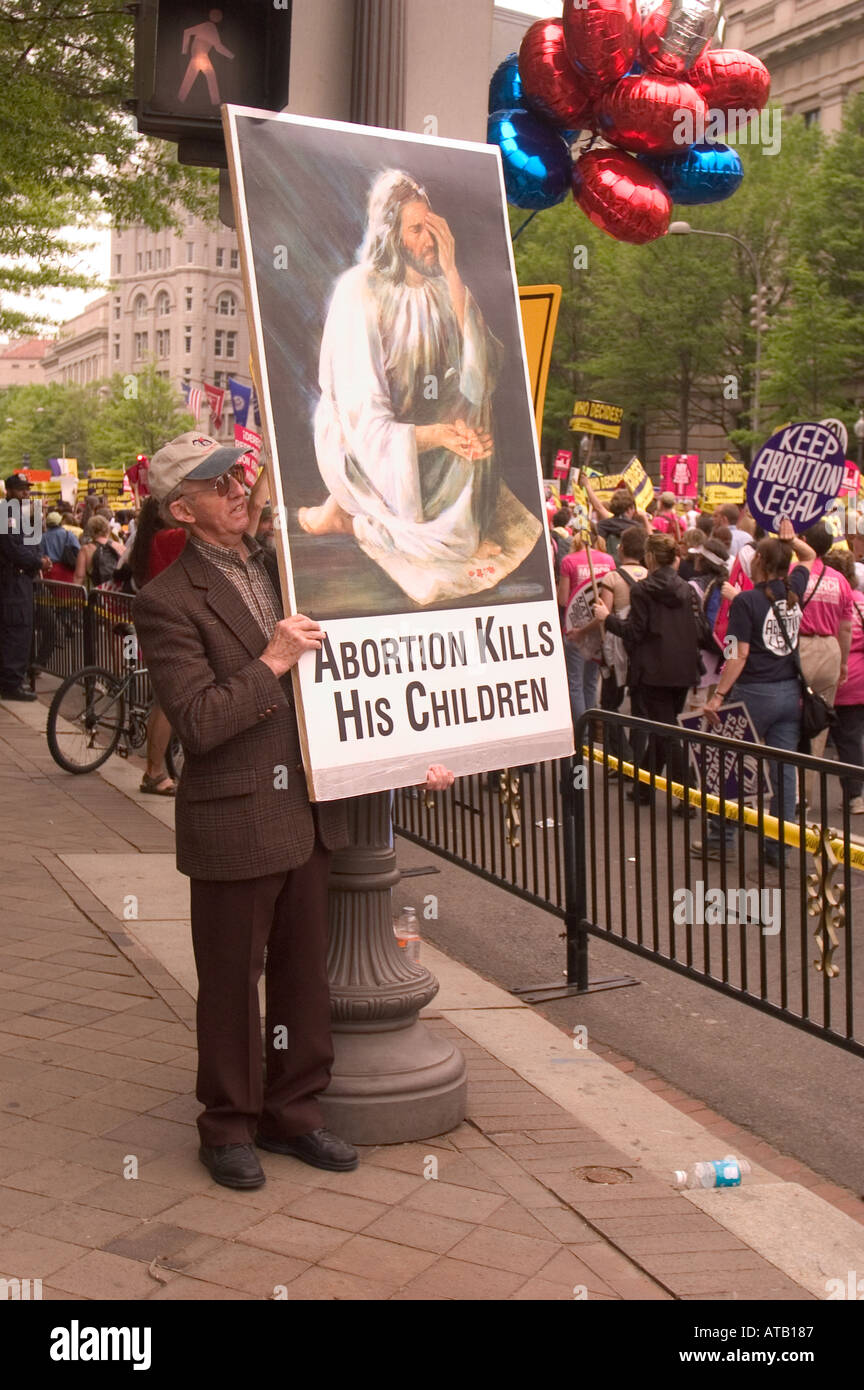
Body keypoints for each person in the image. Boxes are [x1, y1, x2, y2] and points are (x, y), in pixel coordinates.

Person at [134, 430, 453, 1192]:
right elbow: (202, 722)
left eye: (238, 475)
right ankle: (229, 1125)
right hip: (235, 817)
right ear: (184, 509)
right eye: (220, 485)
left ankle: (295, 1111)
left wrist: (418, 752)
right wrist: (272, 660)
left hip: (310, 811)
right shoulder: (166, 601)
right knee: (231, 980)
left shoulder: (288, 568)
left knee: (305, 976)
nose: (239, 488)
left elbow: (360, 675)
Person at [299, 168, 503, 572]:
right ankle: (347, 514)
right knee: (444, 548)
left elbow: (479, 380)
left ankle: (447, 522)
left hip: (421, 433)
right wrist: (438, 435)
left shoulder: (443, 288)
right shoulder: (359, 291)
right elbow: (364, 419)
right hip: (364, 442)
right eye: (415, 230)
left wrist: (453, 272)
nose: (428, 241)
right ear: (390, 234)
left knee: (478, 408)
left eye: (432, 228)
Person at [702, 537, 807, 863]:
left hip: (753, 692)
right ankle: (778, 847)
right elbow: (810, 556)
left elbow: (737, 653)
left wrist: (718, 695)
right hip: (790, 691)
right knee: (784, 772)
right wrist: (791, 540)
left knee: (728, 764)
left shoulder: (746, 601)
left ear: (759, 559)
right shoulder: (795, 589)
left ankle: (721, 839)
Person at [596, 532, 714, 806]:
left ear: (650, 557)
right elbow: (698, 629)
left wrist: (607, 619)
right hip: (682, 668)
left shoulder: (643, 590)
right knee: (665, 726)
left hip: (654, 670)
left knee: (667, 731)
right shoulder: (686, 588)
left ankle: (689, 794)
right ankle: (644, 788)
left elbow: (635, 632)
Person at [789, 521, 852, 766]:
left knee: (789, 721)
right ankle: (805, 794)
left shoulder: (793, 572)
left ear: (803, 542)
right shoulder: (840, 580)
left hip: (799, 648)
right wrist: (843, 663)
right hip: (830, 650)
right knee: (818, 723)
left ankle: (789, 791)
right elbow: (845, 628)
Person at [595, 525, 647, 756]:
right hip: (641, 646)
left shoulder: (612, 577)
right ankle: (636, 756)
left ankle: (623, 756)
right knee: (639, 707)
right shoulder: (649, 575)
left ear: (621, 548)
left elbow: (603, 614)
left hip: (617, 646)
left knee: (609, 703)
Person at [0, 473, 52, 699]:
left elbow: (31, 543)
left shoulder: (17, 514)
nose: (26, 493)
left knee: (19, 629)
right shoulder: (6, 513)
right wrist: (37, 561)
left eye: (27, 489)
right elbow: (14, 549)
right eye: (21, 489)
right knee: (16, 629)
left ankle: (13, 680)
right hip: (12, 580)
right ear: (9, 491)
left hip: (21, 579)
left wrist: (41, 559)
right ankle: (12, 684)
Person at [557, 528, 615, 728]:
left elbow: (563, 599)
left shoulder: (569, 561)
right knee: (591, 683)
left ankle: (581, 734)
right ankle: (591, 729)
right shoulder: (609, 560)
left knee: (575, 684)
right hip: (598, 627)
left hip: (575, 629)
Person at [824, 550, 864, 814]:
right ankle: (855, 797)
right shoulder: (861, 600)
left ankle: (798, 797)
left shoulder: (826, 600)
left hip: (831, 675)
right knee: (851, 739)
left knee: (811, 738)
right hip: (859, 677)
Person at [73, 515, 124, 589]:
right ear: (107, 529)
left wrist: (76, 595)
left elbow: (79, 576)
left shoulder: (86, 550)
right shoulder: (120, 547)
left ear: (90, 530)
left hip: (95, 593)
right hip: (116, 594)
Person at [40, 510, 80, 583]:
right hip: (67, 570)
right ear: (60, 522)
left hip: (49, 571)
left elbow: (40, 555)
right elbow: (78, 550)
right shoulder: (69, 535)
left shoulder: (43, 537)